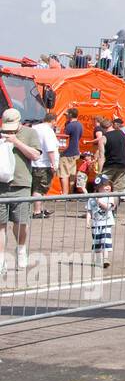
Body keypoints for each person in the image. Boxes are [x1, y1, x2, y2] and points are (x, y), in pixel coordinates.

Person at [1, 108, 42, 274]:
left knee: (20, 222)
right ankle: (1, 260)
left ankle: (21, 250)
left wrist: (15, 141)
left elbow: (35, 155)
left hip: (21, 184)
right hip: (2, 185)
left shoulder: (30, 133)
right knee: (1, 225)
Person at [30, 111, 60, 219]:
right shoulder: (48, 131)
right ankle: (37, 211)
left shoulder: (34, 128)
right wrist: (53, 164)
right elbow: (50, 149)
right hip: (44, 163)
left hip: (34, 162)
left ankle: (39, 209)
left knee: (36, 187)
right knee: (40, 188)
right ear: (53, 121)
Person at [87, 174, 116, 268]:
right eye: (105, 185)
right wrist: (88, 221)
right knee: (97, 243)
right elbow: (89, 211)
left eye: (109, 185)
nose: (108, 187)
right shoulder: (91, 198)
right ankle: (98, 260)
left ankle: (106, 258)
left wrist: (99, 202)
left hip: (106, 223)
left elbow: (108, 207)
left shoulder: (110, 197)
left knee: (105, 241)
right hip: (95, 224)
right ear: (98, 187)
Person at [100, 119, 125, 192]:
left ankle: (105, 203)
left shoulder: (103, 138)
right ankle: (115, 203)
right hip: (123, 165)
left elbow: (101, 157)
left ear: (103, 128)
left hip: (110, 166)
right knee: (118, 190)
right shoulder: (123, 134)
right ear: (111, 125)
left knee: (104, 187)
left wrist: (99, 172)